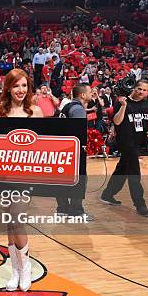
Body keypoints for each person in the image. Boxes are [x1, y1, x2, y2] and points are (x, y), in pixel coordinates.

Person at [0, 68, 43, 292]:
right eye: (16, 86)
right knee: (9, 222)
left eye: (24, 85)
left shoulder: (36, 112)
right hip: (4, 174)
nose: (21, 90)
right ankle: (15, 270)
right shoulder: (0, 112)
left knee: (18, 219)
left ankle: (26, 267)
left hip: (26, 174)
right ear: (8, 88)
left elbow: (44, 145)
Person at [101, 80, 148, 217]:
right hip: (126, 142)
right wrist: (124, 106)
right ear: (134, 87)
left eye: (145, 90)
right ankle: (140, 204)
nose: (141, 92)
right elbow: (117, 121)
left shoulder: (146, 103)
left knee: (123, 168)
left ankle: (107, 194)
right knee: (134, 173)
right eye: (139, 89)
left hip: (139, 142)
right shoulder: (122, 101)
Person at [56, 83, 94, 219]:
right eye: (90, 91)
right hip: (73, 150)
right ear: (82, 95)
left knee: (63, 179)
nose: (92, 93)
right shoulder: (78, 109)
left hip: (63, 149)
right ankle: (77, 211)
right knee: (80, 180)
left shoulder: (67, 106)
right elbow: (78, 132)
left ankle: (62, 208)